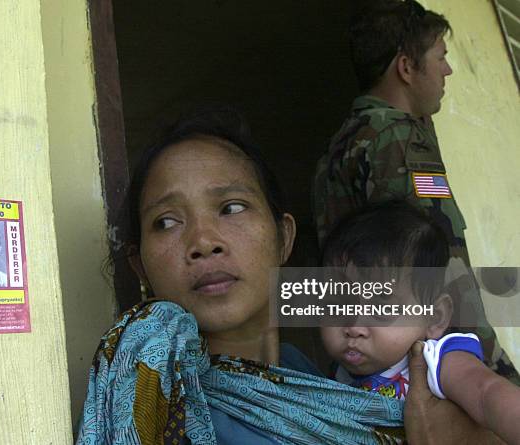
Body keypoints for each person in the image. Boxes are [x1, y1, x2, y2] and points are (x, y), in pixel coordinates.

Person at [77, 108, 497, 444]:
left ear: (283, 237)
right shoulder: (154, 396)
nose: (203, 241)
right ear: (140, 266)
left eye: (232, 207)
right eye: (166, 222)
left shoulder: (328, 377)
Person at [312, 0, 519, 383]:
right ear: (406, 67)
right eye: (440, 56)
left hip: (373, 363)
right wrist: (488, 364)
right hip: (427, 364)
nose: (448, 69)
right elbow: (434, 266)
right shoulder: (398, 137)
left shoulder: (342, 142)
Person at [320, 202, 520, 444]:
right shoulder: (331, 377)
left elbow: (486, 394)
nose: (353, 327)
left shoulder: (437, 361)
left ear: (435, 318)